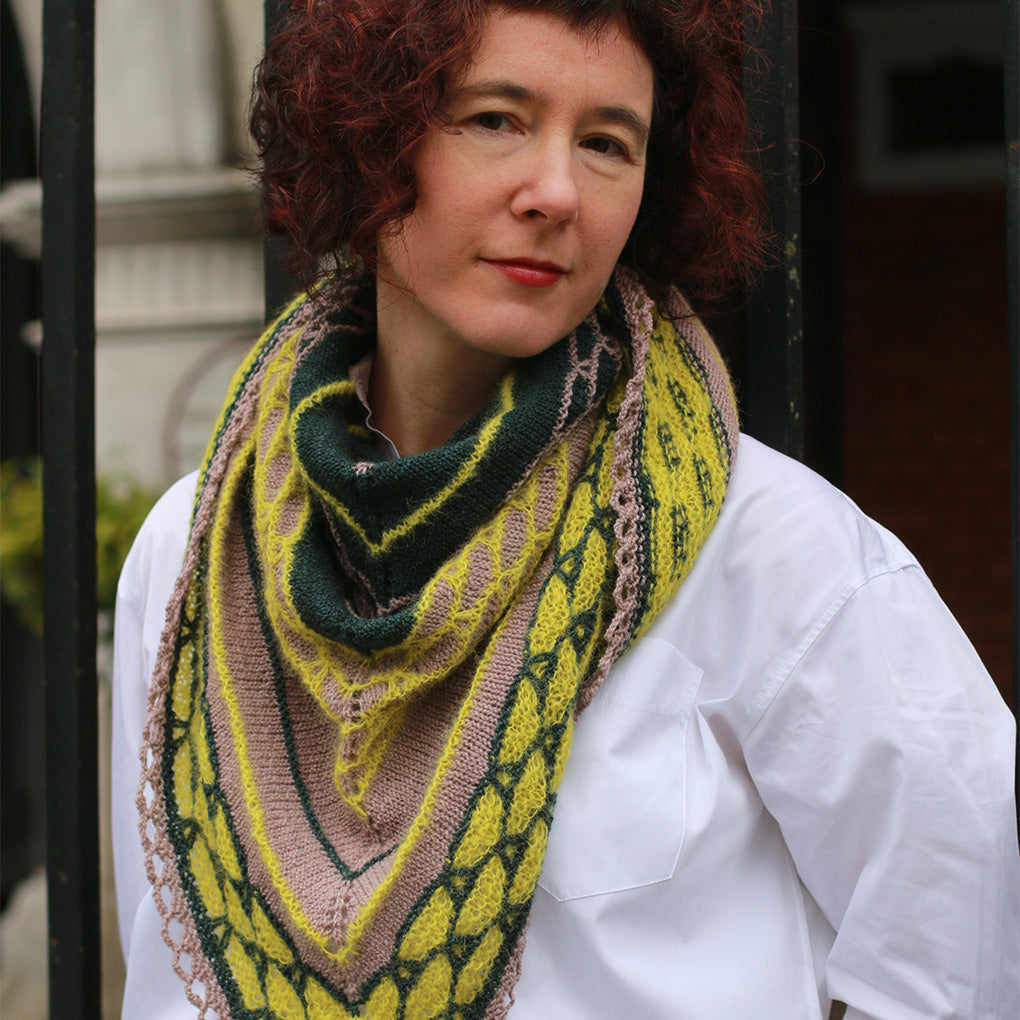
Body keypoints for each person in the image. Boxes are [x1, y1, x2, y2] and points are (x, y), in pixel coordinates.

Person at [111, 1, 1020, 1017]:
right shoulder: (195, 548)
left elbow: (961, 956)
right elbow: (163, 971)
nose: (556, 192)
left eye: (606, 144)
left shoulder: (774, 554)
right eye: (495, 119)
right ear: (371, 141)